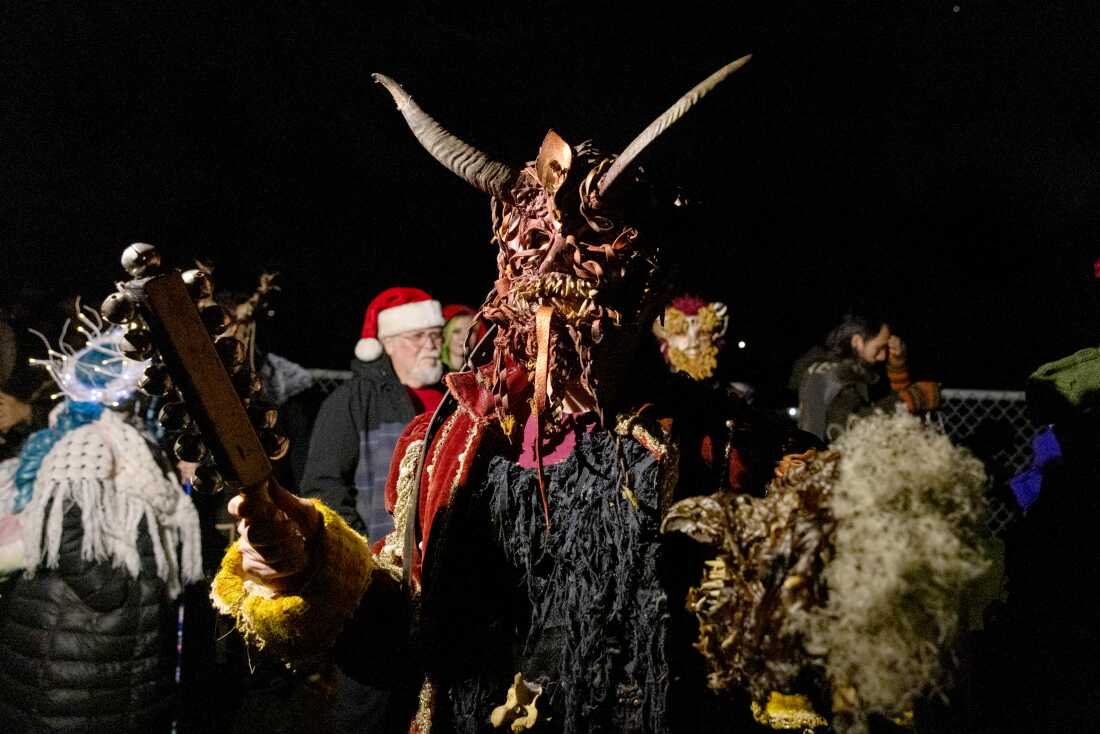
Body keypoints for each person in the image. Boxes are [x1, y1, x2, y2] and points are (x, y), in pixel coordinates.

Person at [210, 63, 992, 733]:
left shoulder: (722, 448)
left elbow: (779, 668)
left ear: (646, 288)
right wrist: (299, 562)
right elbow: (396, 645)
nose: (559, 307)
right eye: (534, 274)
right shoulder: (449, 446)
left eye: (591, 274)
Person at [0, 310, 201, 733]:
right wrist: (114, 593)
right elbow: (66, 529)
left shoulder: (127, 441)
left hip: (113, 643)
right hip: (77, 640)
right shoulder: (88, 442)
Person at [790, 312, 940, 442]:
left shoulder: (850, 369)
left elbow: (878, 409)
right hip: (828, 467)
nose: (883, 356)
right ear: (857, 342)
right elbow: (849, 429)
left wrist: (898, 369)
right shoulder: (833, 376)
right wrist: (909, 400)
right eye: (879, 348)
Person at [440, 304, 479, 372]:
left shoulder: (481, 374)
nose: (464, 337)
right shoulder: (435, 373)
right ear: (446, 334)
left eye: (471, 331)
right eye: (457, 331)